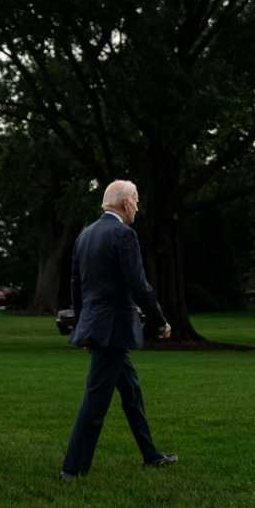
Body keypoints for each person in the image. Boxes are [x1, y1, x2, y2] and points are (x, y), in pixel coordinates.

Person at [60, 180, 178, 481]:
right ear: (125, 203)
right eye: (136, 199)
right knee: (95, 402)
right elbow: (139, 286)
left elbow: (77, 287)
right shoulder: (124, 235)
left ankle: (150, 455)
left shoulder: (84, 236)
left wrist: (84, 328)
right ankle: (72, 469)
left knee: (131, 393)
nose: (138, 205)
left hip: (100, 328)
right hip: (113, 330)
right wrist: (160, 321)